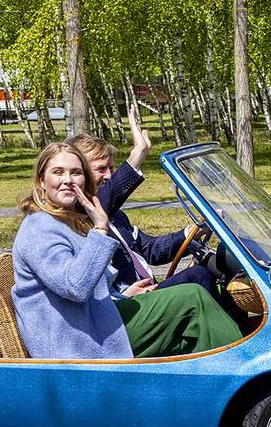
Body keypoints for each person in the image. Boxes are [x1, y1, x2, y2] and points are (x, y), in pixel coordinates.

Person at [11, 142, 242, 360]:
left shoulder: (66, 220)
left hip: (98, 320)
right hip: (77, 343)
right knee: (193, 299)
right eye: (58, 172)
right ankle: (249, 375)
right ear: (41, 181)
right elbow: (76, 286)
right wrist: (100, 228)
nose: (68, 180)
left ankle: (208, 392)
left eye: (75, 173)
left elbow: (93, 281)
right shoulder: (39, 228)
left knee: (191, 312)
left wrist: (122, 294)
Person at [68, 103, 222, 299]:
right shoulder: (79, 216)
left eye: (112, 169)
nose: (108, 176)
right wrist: (138, 153)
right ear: (80, 173)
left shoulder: (116, 215)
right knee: (198, 277)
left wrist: (191, 232)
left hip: (149, 292)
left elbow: (150, 250)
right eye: (101, 169)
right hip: (127, 304)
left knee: (219, 265)